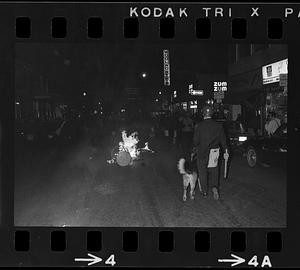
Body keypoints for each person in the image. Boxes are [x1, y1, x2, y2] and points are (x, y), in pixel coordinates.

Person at [193, 105, 229, 200]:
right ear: (212, 114)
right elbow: (223, 140)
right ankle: (214, 187)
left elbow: (195, 141)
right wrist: (226, 151)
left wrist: (194, 147)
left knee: (202, 172)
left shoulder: (199, 126)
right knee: (214, 170)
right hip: (214, 153)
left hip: (202, 153)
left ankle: (204, 191)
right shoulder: (218, 126)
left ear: (203, 113)